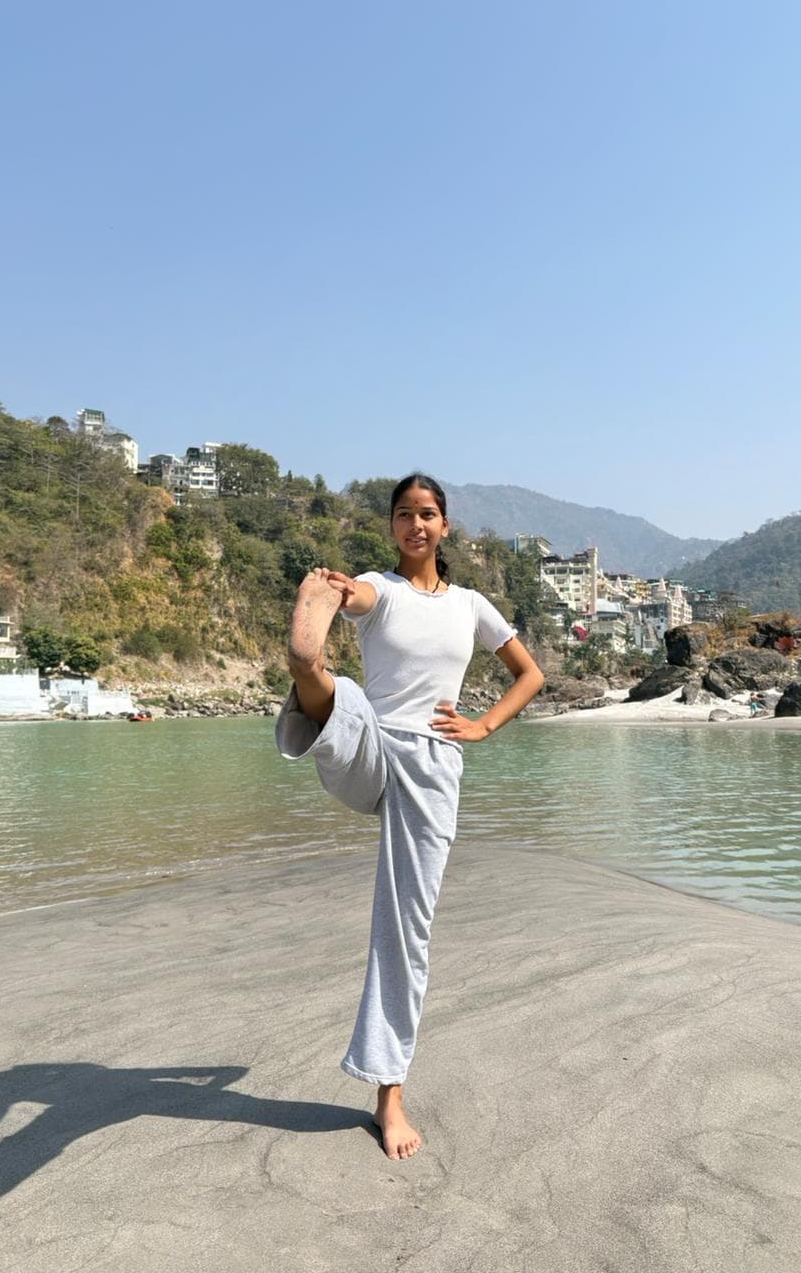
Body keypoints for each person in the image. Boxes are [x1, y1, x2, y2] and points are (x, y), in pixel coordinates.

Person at [276, 473, 544, 1160]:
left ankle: (388, 1095)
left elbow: (529, 674)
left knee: (406, 930)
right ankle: (307, 663)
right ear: (391, 527)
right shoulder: (379, 588)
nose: (415, 525)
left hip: (431, 765)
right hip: (368, 745)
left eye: (426, 514)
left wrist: (483, 725)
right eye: (403, 515)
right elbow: (361, 593)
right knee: (343, 694)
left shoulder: (472, 605)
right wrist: (336, 593)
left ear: (445, 526)